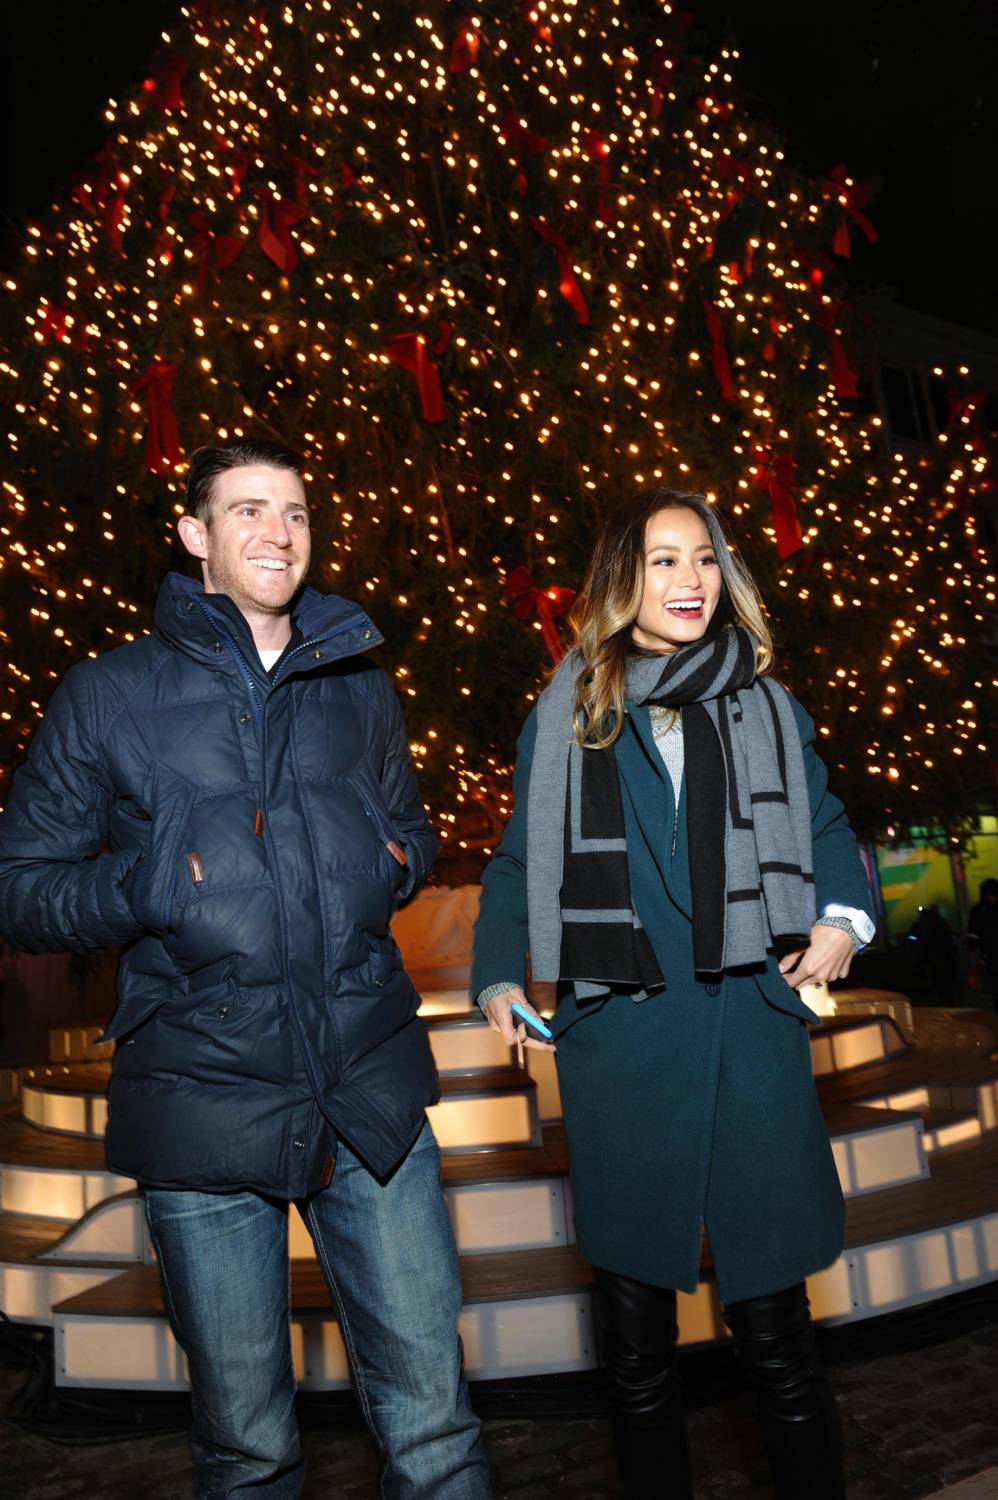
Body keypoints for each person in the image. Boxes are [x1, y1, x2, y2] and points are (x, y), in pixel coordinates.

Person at [0, 439, 488, 1499]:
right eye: (249, 510)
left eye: (296, 512)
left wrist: (394, 860)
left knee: (436, 1428)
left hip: (368, 1089)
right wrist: (150, 885)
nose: (279, 533)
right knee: (248, 1449)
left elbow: (409, 832)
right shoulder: (108, 694)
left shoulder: (358, 683)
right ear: (196, 536)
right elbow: (23, 889)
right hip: (201, 1094)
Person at [471, 489, 875, 1500]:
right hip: (623, 1038)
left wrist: (842, 919)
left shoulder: (766, 702)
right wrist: (496, 974)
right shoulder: (569, 712)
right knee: (636, 1347)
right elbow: (520, 858)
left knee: (778, 1337)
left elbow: (827, 826)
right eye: (662, 560)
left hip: (749, 1031)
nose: (689, 579)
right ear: (623, 578)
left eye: (703, 558)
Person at [968, 878, 998, 1005]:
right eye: (991, 895)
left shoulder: (979, 910)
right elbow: (973, 934)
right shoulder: (978, 910)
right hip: (989, 954)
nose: (994, 898)